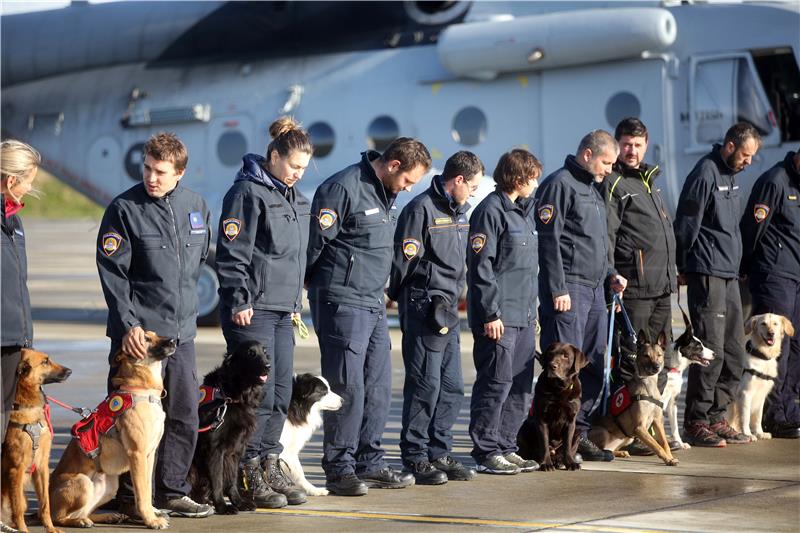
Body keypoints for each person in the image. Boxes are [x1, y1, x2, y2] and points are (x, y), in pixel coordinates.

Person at [96, 132, 213, 518]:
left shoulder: (196, 206)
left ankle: (171, 491)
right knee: (128, 420)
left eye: (160, 171)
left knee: (183, 412)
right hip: (139, 339)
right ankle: (128, 496)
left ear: (180, 172)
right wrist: (128, 324)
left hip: (180, 334)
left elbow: (194, 267)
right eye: (147, 168)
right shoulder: (124, 209)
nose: (151, 177)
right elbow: (114, 273)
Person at [306, 137, 431, 496]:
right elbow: (316, 244)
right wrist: (318, 287)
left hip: (373, 303)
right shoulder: (343, 188)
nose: (408, 188)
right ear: (393, 166)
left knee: (377, 386)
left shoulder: (385, 192)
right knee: (348, 387)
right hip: (342, 301)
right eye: (408, 181)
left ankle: (369, 461)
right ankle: (340, 467)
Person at [215, 117, 312, 507]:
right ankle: (246, 469)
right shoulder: (247, 193)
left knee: (281, 391)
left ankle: (269, 461)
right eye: (293, 166)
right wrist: (239, 299)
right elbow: (233, 252)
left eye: (304, 169)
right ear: (274, 156)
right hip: (252, 309)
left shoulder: (293, 198)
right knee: (259, 392)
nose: (297, 174)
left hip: (283, 309)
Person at [388, 151, 483, 485]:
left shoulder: (461, 212)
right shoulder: (421, 211)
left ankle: (438, 450)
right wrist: (397, 296)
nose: (473, 192)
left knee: (453, 386)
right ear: (457, 180)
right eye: (471, 186)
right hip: (423, 305)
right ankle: (415, 455)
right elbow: (404, 262)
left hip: (449, 309)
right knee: (425, 384)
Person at [535, 130, 627, 462]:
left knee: (593, 362)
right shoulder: (558, 185)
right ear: (587, 154)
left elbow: (599, 242)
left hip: (593, 287)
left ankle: (578, 434)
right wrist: (557, 288)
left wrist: (611, 273)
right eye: (606, 162)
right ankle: (551, 444)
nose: (609, 170)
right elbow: (549, 240)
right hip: (569, 288)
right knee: (560, 370)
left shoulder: (594, 188)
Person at [674, 122, 761, 447]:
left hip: (728, 273)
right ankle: (696, 420)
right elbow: (687, 222)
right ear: (729, 146)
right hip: (706, 272)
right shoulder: (705, 173)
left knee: (736, 351)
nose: (749, 161)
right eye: (746, 154)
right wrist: (683, 265)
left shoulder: (731, 176)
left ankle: (716, 415)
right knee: (710, 350)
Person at [602, 118, 678, 454]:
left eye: (637, 144)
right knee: (632, 364)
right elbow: (609, 235)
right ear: (617, 145)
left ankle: (648, 426)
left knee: (658, 362)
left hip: (661, 287)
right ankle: (628, 431)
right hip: (634, 290)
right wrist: (612, 273)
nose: (632, 151)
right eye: (626, 144)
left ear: (646, 144)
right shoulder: (615, 183)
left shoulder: (650, 180)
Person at [467, 149, 542, 475]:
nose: (536, 183)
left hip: (524, 316)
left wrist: (532, 313)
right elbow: (481, 269)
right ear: (518, 178)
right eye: (533, 177)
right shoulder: (490, 212)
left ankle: (506, 445)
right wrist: (490, 314)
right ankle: (486, 451)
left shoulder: (524, 213)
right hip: (499, 318)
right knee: (495, 383)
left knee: (520, 386)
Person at [740, 149, 800, 439]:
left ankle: (787, 408)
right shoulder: (775, 180)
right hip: (774, 274)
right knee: (778, 346)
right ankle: (775, 415)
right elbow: (753, 228)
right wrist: (747, 265)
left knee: (796, 343)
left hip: (796, 274)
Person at [1, 140, 40, 448]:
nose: (30, 188)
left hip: (13, 341)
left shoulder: (14, 221)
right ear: (12, 181)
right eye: (29, 181)